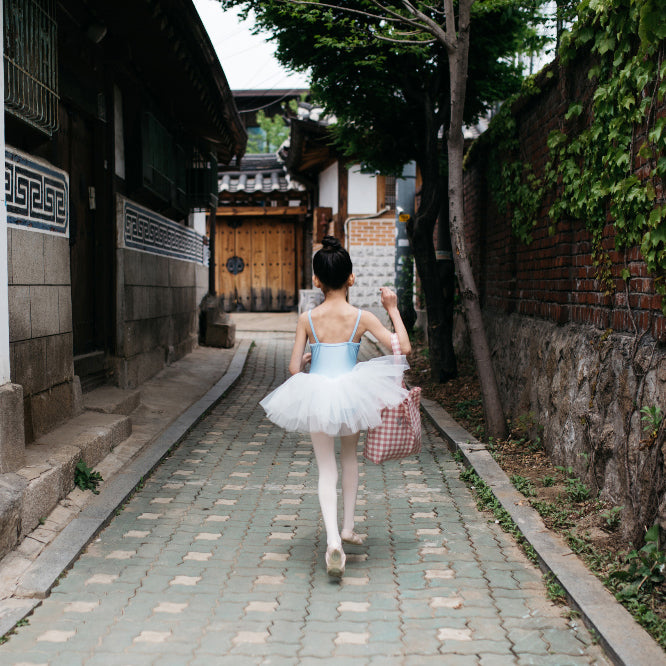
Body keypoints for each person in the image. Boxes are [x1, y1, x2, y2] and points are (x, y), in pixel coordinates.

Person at [260, 236, 412, 577]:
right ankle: (347, 528)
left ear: (316, 280)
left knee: (326, 469)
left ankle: (333, 542)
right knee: (349, 459)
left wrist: (316, 355)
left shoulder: (306, 318)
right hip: (352, 393)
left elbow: (293, 369)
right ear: (351, 278)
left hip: (317, 394)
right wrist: (392, 308)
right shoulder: (361, 317)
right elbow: (403, 346)